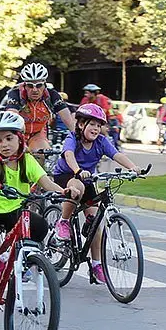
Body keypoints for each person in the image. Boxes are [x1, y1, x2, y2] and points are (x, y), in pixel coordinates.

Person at [0, 111, 80, 328]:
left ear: (20, 138)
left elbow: (46, 183)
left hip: (14, 208)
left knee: (41, 226)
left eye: (9, 138)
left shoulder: (27, 161)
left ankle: (20, 260)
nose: (4, 144)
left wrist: (65, 191)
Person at [51, 103, 141, 284]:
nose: (96, 129)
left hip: (87, 178)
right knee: (78, 188)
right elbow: (68, 155)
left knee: (95, 223)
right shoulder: (72, 138)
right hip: (67, 175)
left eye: (99, 126)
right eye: (92, 124)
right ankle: (64, 221)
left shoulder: (101, 141)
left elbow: (116, 154)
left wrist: (132, 167)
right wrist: (77, 170)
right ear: (81, 124)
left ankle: (96, 264)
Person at [0, 62, 75, 154]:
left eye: (39, 85)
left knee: (40, 155)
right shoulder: (16, 94)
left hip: (38, 133)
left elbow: (68, 119)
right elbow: (12, 117)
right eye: (30, 86)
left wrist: (77, 137)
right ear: (24, 85)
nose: (35, 90)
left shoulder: (52, 95)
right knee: (14, 157)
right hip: (18, 133)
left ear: (44, 84)